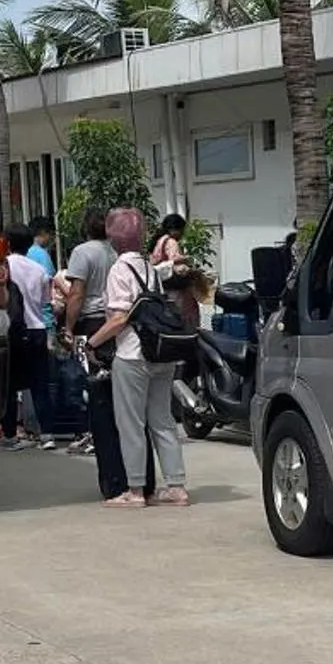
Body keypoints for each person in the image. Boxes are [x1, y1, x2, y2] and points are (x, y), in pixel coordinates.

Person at [83, 207, 188, 509]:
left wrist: (93, 342)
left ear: (114, 237)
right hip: (161, 353)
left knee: (130, 424)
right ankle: (176, 486)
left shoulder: (119, 270)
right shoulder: (149, 268)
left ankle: (136, 490)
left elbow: (119, 319)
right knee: (162, 421)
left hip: (131, 355)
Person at [59, 210, 128, 499]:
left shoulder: (82, 252)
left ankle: (109, 471)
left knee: (95, 392)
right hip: (118, 323)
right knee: (120, 396)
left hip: (91, 324)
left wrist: (68, 328)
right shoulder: (117, 253)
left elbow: (76, 293)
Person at [0, 226, 65, 445]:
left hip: (13, 330)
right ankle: (47, 434)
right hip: (37, 328)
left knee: (8, 384)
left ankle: (9, 434)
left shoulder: (4, 266)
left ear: (8, 243)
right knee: (40, 384)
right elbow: (47, 302)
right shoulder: (39, 270)